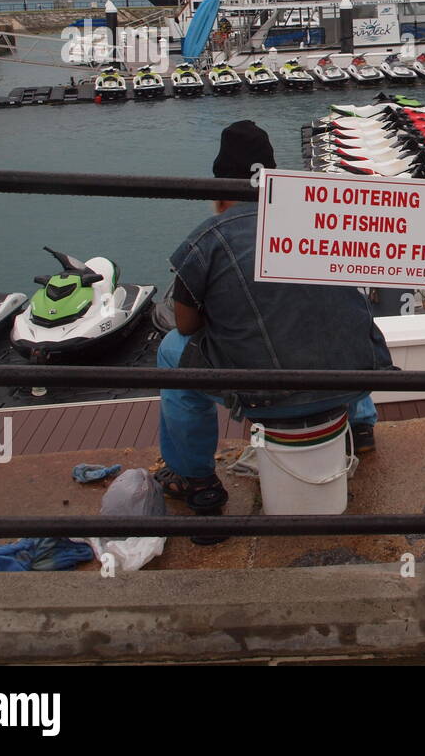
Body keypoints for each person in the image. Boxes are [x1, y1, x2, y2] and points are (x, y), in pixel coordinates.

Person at [154, 120, 391, 511]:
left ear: (219, 187)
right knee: (340, 310)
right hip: (353, 379)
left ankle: (195, 479)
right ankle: (361, 426)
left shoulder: (208, 239)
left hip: (267, 397)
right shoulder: (322, 219)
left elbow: (186, 325)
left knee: (170, 350)